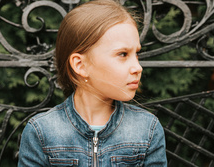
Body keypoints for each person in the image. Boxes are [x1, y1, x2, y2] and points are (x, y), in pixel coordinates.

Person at [18, 0, 167, 166]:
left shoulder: (147, 129)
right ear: (80, 65)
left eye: (136, 54)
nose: (137, 67)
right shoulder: (41, 132)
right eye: (123, 54)